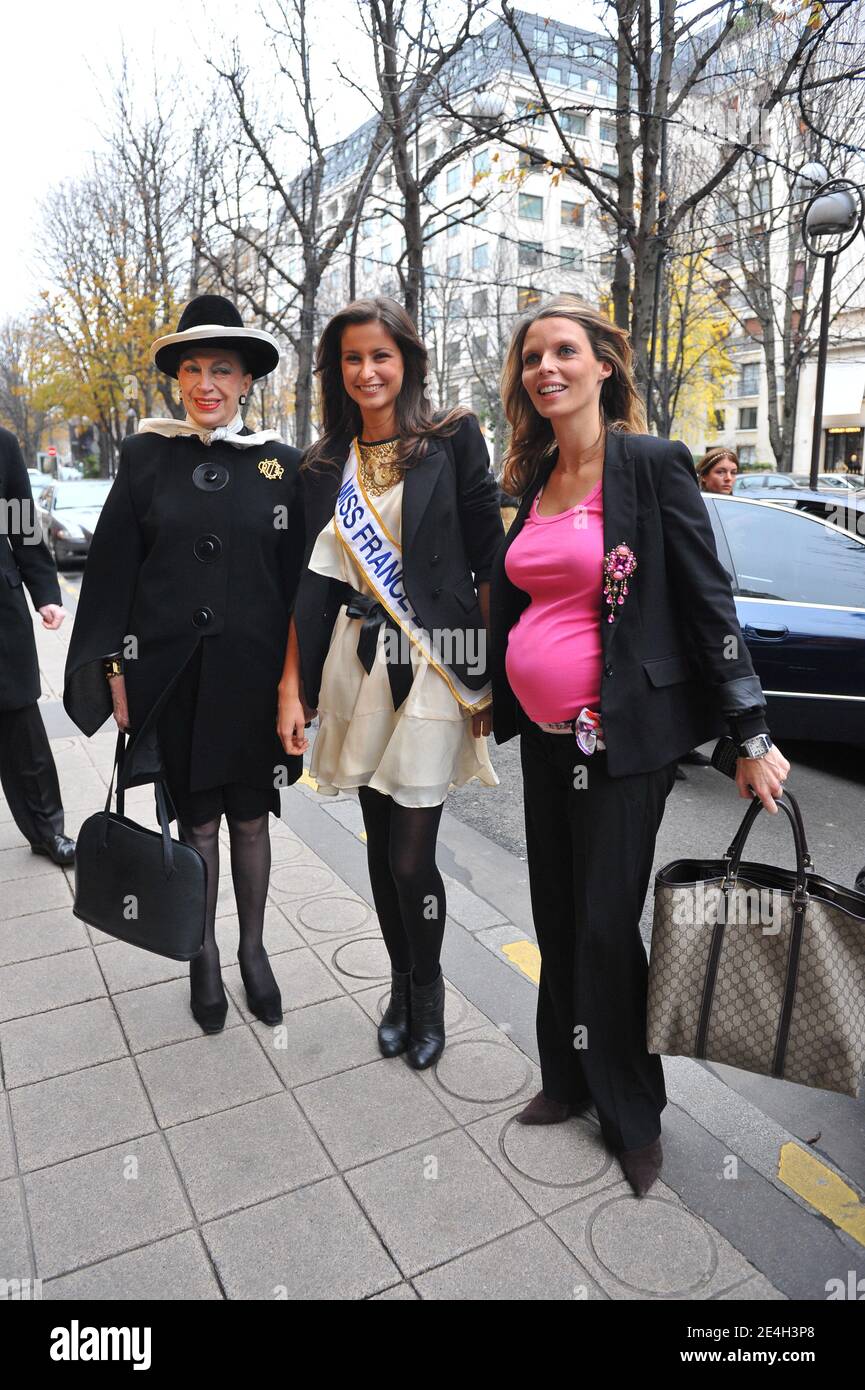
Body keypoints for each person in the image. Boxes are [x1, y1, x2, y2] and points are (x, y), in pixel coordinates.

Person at [489, 296, 790, 1198]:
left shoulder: (650, 466)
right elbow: (524, 599)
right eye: (533, 355)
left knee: (600, 925)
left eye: (564, 352)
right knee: (555, 913)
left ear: (603, 366)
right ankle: (568, 1076)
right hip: (544, 741)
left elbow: (708, 603)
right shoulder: (535, 473)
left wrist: (749, 731)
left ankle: (633, 1113)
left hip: (623, 743)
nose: (547, 367)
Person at [64, 295, 306, 1034]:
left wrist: (297, 688)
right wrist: (113, 671)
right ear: (178, 381)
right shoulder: (145, 459)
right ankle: (200, 956)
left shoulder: (280, 466)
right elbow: (111, 575)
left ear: (244, 381)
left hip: (253, 680)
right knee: (196, 824)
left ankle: (253, 953)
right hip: (175, 679)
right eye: (193, 369)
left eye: (222, 370)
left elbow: (300, 583)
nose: (206, 384)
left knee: (252, 821)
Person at [281, 298, 502, 1069]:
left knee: (412, 853)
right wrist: (294, 689)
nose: (367, 371)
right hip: (353, 663)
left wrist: (483, 679)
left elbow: (486, 560)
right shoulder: (320, 463)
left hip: (433, 666)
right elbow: (307, 584)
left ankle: (430, 988)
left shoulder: (451, 439)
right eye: (351, 358)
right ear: (335, 371)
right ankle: (400, 988)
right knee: (378, 846)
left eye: (380, 355)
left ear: (405, 360)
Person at [0, 427, 75, 866]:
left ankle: (48, 831)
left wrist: (45, 593)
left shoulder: (2, 446)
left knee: (21, 731)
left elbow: (21, 526)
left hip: (1, 619)